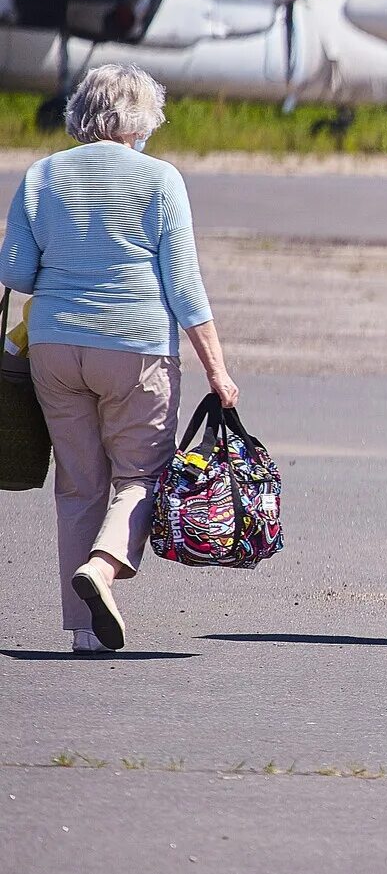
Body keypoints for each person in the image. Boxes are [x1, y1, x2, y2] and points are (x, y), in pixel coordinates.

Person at [0, 64, 239, 653]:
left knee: (79, 485)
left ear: (82, 112)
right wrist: (217, 369)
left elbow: (15, 271)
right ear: (142, 119)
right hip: (135, 349)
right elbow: (184, 286)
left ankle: (84, 632)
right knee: (142, 475)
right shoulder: (161, 180)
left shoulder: (41, 176)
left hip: (54, 349)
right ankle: (103, 569)